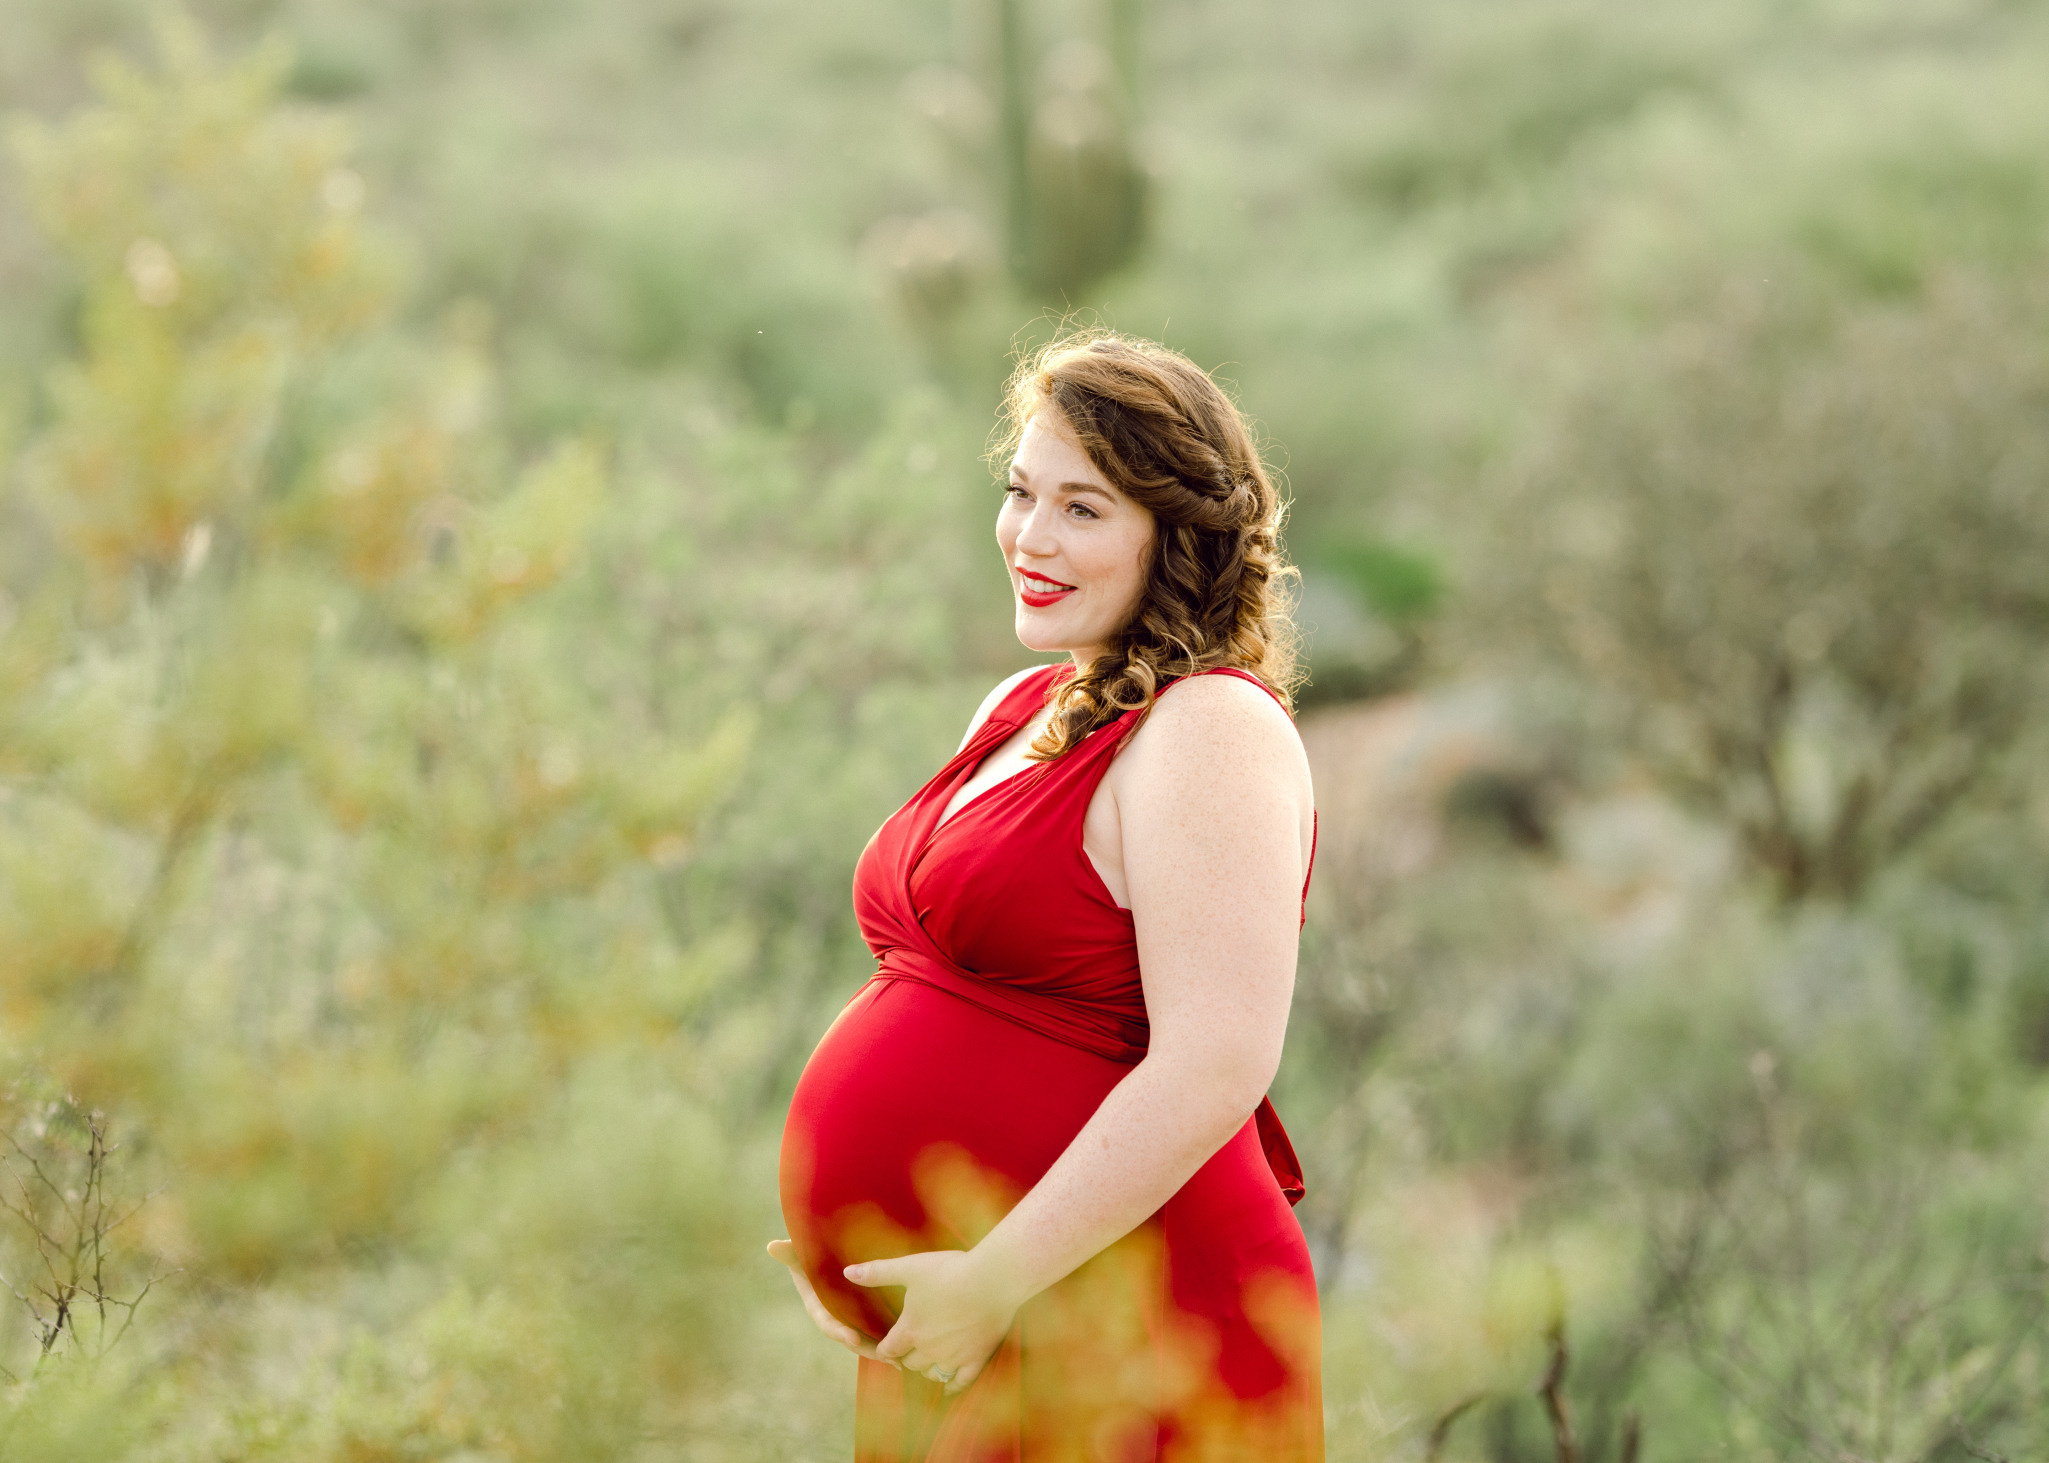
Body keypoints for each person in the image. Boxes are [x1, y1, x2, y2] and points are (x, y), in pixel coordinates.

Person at [770, 330, 1322, 1461]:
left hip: (1129, 1313)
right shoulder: (1022, 702)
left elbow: (1218, 1059)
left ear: (1176, 534)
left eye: (1085, 508)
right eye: (1022, 493)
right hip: (968, 1316)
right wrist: (860, 1252)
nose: (1031, 536)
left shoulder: (1210, 725)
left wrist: (992, 1277)